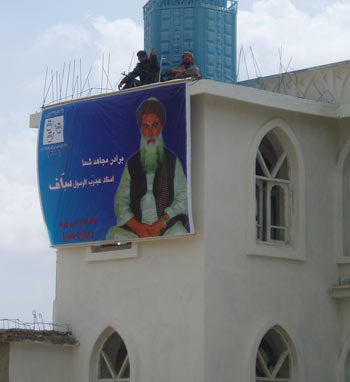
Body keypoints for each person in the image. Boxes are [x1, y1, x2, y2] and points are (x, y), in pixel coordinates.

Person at [106, 97, 188, 241]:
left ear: (161, 128)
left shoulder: (172, 161)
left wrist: (162, 223)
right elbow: (120, 202)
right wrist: (138, 227)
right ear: (141, 130)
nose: (150, 132)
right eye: (146, 126)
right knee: (113, 236)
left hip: (165, 228)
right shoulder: (132, 164)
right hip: (137, 231)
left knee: (180, 234)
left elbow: (183, 197)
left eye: (154, 125)